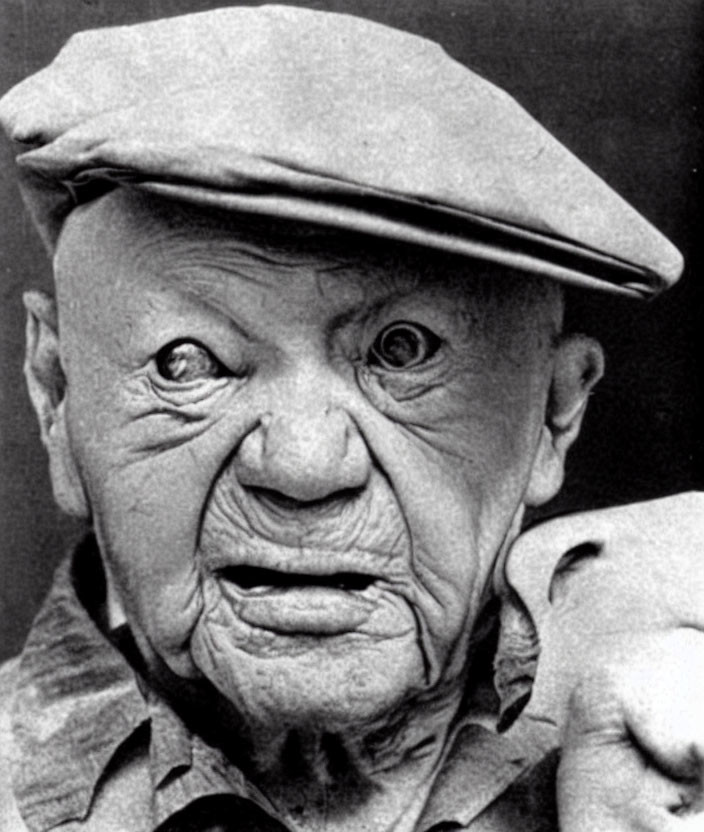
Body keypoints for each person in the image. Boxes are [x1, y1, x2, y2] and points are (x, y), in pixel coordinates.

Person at [0, 6, 702, 831]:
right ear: (55, 393)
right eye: (187, 362)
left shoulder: (657, 743)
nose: (302, 467)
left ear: (555, 411)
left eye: (404, 352)